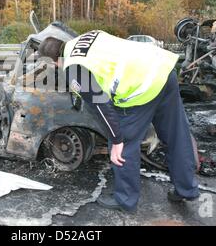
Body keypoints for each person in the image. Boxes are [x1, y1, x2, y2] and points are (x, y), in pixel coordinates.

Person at [38, 31, 200, 213]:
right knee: (177, 135)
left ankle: (126, 200)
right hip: (163, 69)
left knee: (125, 145)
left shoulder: (74, 68)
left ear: (52, 61)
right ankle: (187, 189)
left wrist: (116, 140)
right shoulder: (86, 36)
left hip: (141, 86)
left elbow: (101, 106)